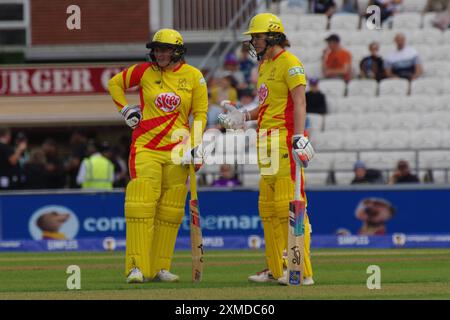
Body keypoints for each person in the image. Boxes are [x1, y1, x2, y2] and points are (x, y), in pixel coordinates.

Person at [218, 13, 315, 286]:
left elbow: (300, 102)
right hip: (265, 140)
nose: (253, 41)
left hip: (284, 139)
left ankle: (301, 270)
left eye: (257, 37)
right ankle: (276, 267)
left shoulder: (290, 62)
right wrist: (243, 116)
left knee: (290, 207)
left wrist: (298, 137)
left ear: (273, 36)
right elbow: (266, 106)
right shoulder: (264, 65)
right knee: (269, 209)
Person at [108, 28, 208, 283]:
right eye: (157, 49)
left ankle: (159, 267)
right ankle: (136, 267)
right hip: (146, 148)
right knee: (140, 205)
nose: (160, 54)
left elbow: (200, 114)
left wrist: (196, 146)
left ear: (177, 51)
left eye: (165, 49)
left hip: (178, 151)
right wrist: (126, 109)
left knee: (171, 210)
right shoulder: (143, 71)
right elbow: (115, 83)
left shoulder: (194, 76)